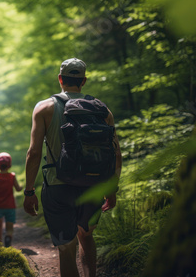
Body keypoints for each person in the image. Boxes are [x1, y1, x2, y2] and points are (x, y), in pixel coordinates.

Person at [23, 58, 122, 277]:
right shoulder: (102, 110)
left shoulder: (44, 108)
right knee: (86, 236)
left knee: (67, 248)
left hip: (58, 187)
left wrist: (29, 191)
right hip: (93, 185)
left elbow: (34, 153)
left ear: (60, 79)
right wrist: (111, 189)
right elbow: (115, 152)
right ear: (83, 81)